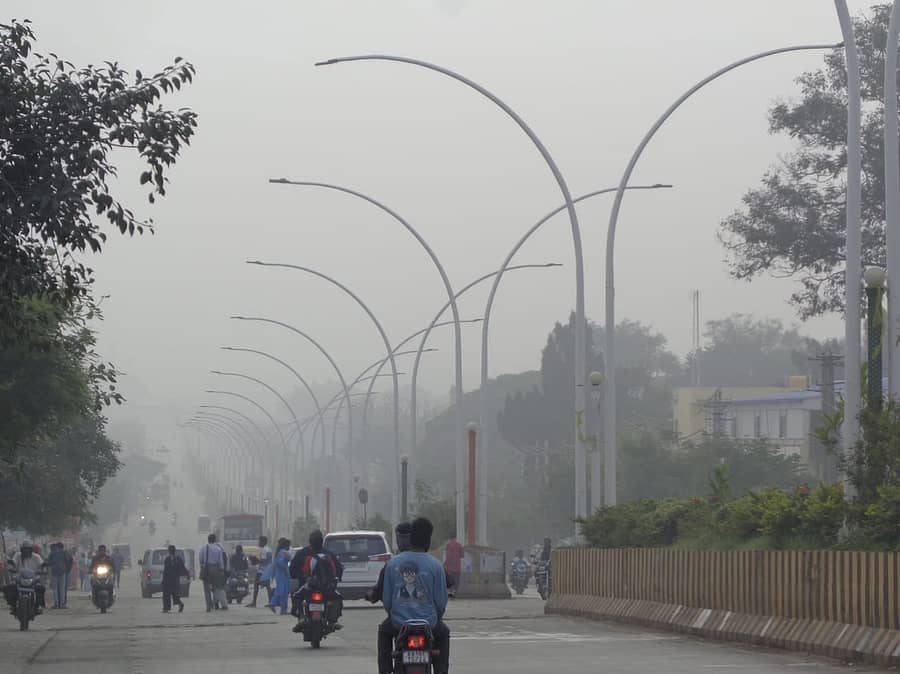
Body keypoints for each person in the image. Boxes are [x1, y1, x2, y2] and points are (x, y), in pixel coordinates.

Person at [378, 518, 450, 674]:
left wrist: (396, 613)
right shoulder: (436, 566)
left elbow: (387, 602)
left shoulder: (393, 564)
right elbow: (441, 603)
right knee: (443, 634)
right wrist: (434, 617)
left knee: (384, 631)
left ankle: (384, 670)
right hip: (429, 624)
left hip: (398, 624)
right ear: (428, 540)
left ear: (410, 539)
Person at [290, 530, 343, 630]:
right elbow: (338, 569)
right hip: (326, 588)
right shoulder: (328, 554)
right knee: (338, 598)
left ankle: (301, 617)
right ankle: (332, 621)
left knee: (296, 596)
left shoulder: (303, 553)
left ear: (310, 542)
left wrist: (299, 577)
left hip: (308, 587)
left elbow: (293, 569)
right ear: (322, 541)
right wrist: (336, 579)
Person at [367, 522, 412, 604]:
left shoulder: (392, 565)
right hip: (427, 616)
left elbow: (381, 591)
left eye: (403, 538)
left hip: (400, 614)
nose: (402, 541)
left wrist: (372, 595)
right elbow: (440, 602)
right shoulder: (433, 565)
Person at [3, 540, 46, 614]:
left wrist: (42, 570)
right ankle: (13, 605)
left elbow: (41, 565)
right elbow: (13, 563)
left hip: (34, 579)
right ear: (22, 549)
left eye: (28, 549)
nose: (26, 550)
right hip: (19, 578)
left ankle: (38, 606)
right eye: (24, 549)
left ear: (31, 549)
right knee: (9, 587)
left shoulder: (36, 556)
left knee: (40, 588)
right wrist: (12, 567)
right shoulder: (17, 555)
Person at [199, 534, 227, 612]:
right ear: (214, 540)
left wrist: (202, 566)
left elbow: (200, 558)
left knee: (206, 589)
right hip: (216, 569)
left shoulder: (204, 548)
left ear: (208, 539)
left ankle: (208, 606)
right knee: (216, 587)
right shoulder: (218, 549)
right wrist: (221, 570)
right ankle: (216, 603)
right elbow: (220, 561)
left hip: (206, 568)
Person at [161, 545, 189, 613]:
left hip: (170, 579)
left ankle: (167, 608)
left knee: (169, 594)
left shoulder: (169, 559)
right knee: (172, 594)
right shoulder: (177, 558)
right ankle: (174, 605)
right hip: (173, 579)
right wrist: (187, 575)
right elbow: (183, 568)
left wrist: (163, 580)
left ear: (169, 551)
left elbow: (166, 570)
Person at [247, 535, 272, 608]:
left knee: (256, 585)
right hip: (267, 570)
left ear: (263, 542)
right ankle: (270, 601)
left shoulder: (264, 550)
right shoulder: (269, 549)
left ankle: (254, 602)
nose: (259, 542)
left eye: (260, 541)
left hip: (262, 570)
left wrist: (254, 559)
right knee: (268, 586)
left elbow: (264, 561)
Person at [269, 538, 292, 615]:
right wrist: (285, 569)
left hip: (280, 574)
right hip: (283, 575)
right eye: (289, 545)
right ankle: (282, 608)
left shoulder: (279, 552)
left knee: (280, 590)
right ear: (286, 545)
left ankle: (275, 604)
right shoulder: (284, 553)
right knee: (283, 592)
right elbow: (280, 562)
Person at [46, 543, 69, 609]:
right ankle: (62, 604)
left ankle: (56, 604)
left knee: (55, 589)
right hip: (62, 572)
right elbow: (68, 561)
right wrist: (66, 569)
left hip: (54, 572)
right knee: (62, 589)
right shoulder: (64, 553)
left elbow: (49, 562)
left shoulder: (52, 554)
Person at [444, 531, 463, 596]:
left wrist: (445, 563)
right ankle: (454, 593)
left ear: (449, 538)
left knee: (450, 581)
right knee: (456, 581)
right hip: (457, 567)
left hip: (450, 568)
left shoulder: (448, 545)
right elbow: (462, 555)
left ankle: (451, 594)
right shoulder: (459, 545)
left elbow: (448, 556)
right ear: (455, 537)